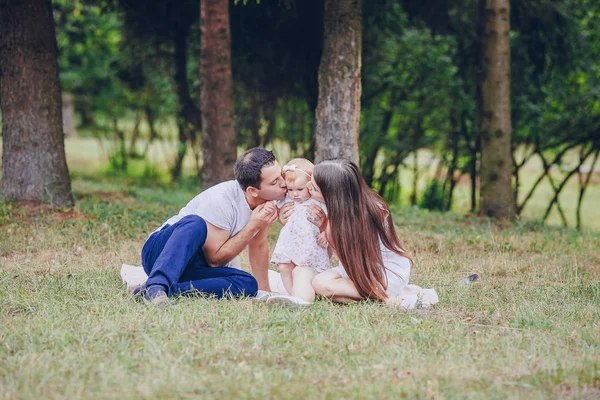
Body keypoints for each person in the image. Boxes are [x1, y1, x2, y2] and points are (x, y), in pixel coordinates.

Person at [133, 148, 287, 305]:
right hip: (162, 252)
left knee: (247, 283)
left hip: (195, 265)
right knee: (195, 223)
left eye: (281, 175)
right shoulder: (221, 201)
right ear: (253, 190)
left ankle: (167, 289)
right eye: (275, 182)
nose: (283, 184)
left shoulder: (265, 202)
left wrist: (265, 291)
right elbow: (214, 260)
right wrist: (252, 226)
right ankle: (156, 285)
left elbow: (258, 246)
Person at [307, 159, 416, 306]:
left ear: (330, 194)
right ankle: (376, 300)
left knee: (324, 287)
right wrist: (324, 226)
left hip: (382, 271)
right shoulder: (337, 208)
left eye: (313, 187)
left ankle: (384, 298)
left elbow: (356, 260)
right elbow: (341, 257)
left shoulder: (372, 212)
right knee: (318, 283)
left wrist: (328, 229)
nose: (308, 187)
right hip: (354, 268)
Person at [266, 158, 330, 306]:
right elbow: (273, 202)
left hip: (310, 246)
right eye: (290, 189)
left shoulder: (317, 201)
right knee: (284, 267)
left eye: (300, 189)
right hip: (289, 244)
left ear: (311, 184)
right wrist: (272, 209)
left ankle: (302, 294)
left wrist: (326, 232)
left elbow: (331, 218)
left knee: (303, 270)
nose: (294, 194)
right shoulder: (288, 200)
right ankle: (291, 295)